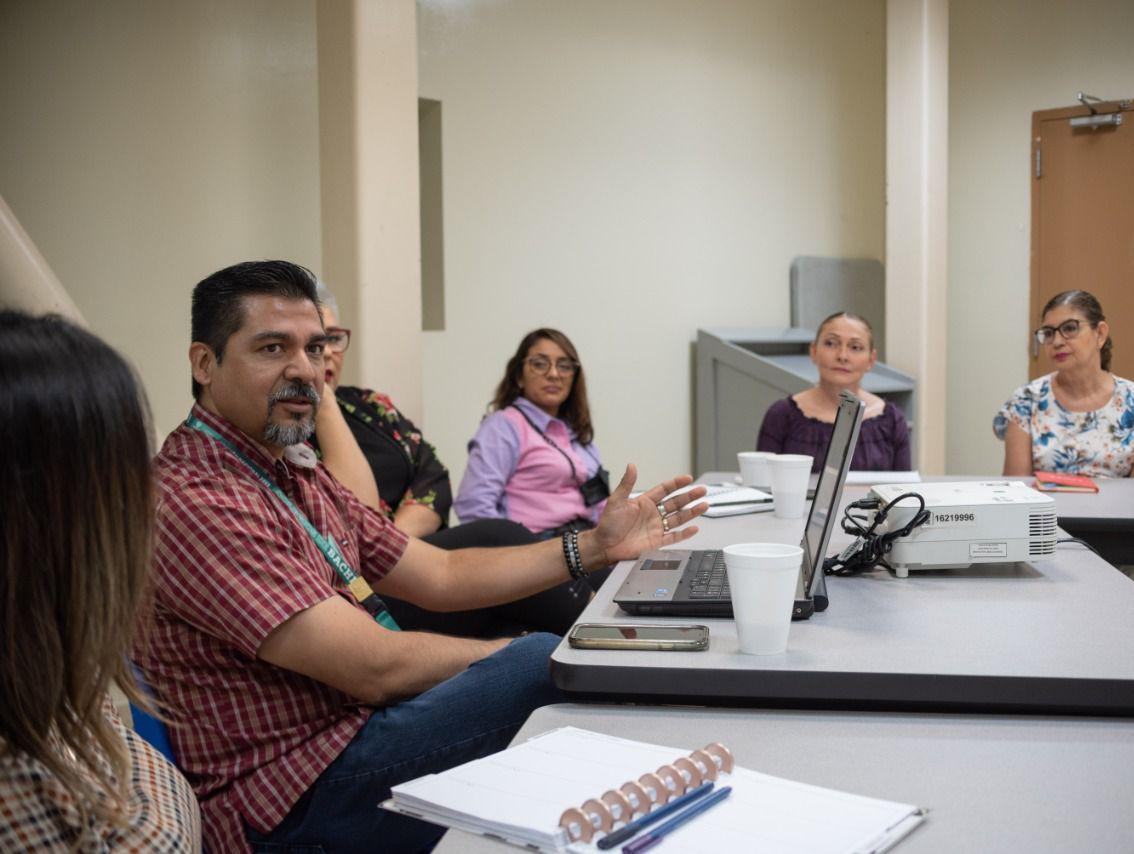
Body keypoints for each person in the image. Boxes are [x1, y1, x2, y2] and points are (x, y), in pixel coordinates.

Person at [134, 260, 705, 853]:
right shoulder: (195, 499)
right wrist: (512, 656)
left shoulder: (289, 468)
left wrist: (595, 546)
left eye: (315, 347)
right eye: (273, 348)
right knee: (538, 660)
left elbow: (440, 572)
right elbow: (375, 668)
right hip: (294, 797)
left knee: (535, 653)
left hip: (347, 734)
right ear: (205, 364)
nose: (304, 370)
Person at [0, 310, 199, 851]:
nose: (151, 499)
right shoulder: (18, 779)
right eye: (273, 347)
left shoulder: (44, 675)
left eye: (321, 344)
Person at [308, 284, 590, 636]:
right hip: (362, 586)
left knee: (530, 615)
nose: (326, 354)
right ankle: (602, 633)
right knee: (498, 537)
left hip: (415, 557)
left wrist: (392, 542)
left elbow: (434, 478)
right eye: (313, 345)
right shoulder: (290, 431)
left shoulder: (369, 405)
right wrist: (324, 401)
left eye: (332, 339)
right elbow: (352, 519)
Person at [993, 289, 1134, 598]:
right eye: (1048, 333)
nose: (1057, 341)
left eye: (1070, 328)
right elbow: (1016, 493)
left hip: (1120, 533)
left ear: (1100, 333)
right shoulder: (1026, 401)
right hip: (1051, 533)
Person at [455, 328, 609, 536]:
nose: (554, 374)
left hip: (588, 542)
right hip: (538, 548)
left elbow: (600, 505)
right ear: (519, 376)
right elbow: (474, 506)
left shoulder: (578, 433)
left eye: (564, 366)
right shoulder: (504, 426)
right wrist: (518, 556)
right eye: (539, 364)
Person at [756, 312, 910, 472]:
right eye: (831, 343)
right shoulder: (781, 415)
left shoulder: (892, 420)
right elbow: (761, 486)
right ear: (814, 351)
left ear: (871, 360)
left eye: (855, 347)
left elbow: (903, 491)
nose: (842, 356)